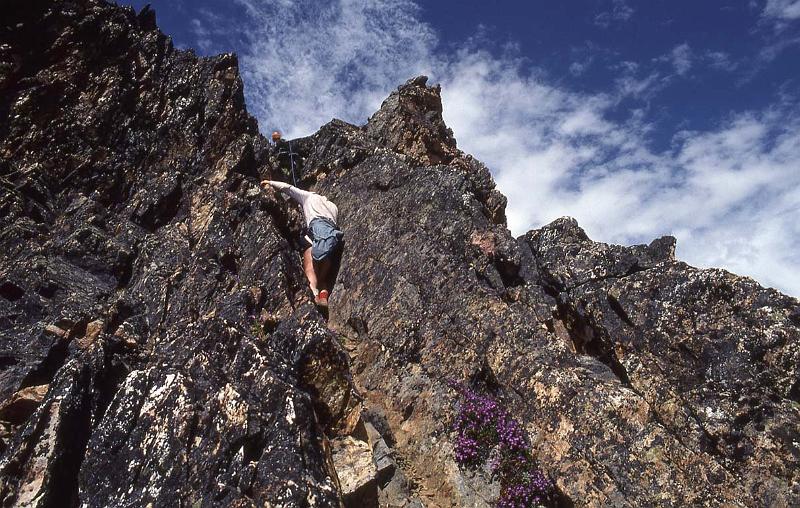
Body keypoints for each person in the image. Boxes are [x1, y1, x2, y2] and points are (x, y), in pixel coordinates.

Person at [261, 180, 343, 307]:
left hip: (316, 232)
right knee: (323, 277)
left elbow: (288, 188)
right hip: (331, 238)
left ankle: (315, 296)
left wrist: (270, 182)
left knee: (310, 266)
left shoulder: (309, 197)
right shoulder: (333, 207)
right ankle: (323, 297)